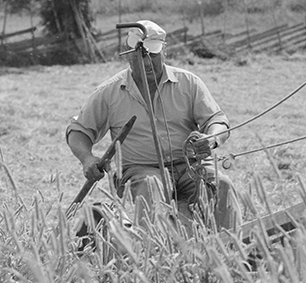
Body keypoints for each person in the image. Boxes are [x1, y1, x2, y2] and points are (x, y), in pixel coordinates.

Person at [66, 19, 241, 231]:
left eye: (154, 56)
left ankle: (233, 247)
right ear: (128, 55)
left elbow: (217, 120)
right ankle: (153, 252)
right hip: (139, 170)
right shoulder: (110, 92)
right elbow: (79, 131)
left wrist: (211, 139)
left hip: (190, 165)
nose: (148, 63)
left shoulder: (188, 82)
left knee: (222, 185)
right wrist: (87, 158)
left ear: (164, 52)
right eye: (141, 57)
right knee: (152, 185)